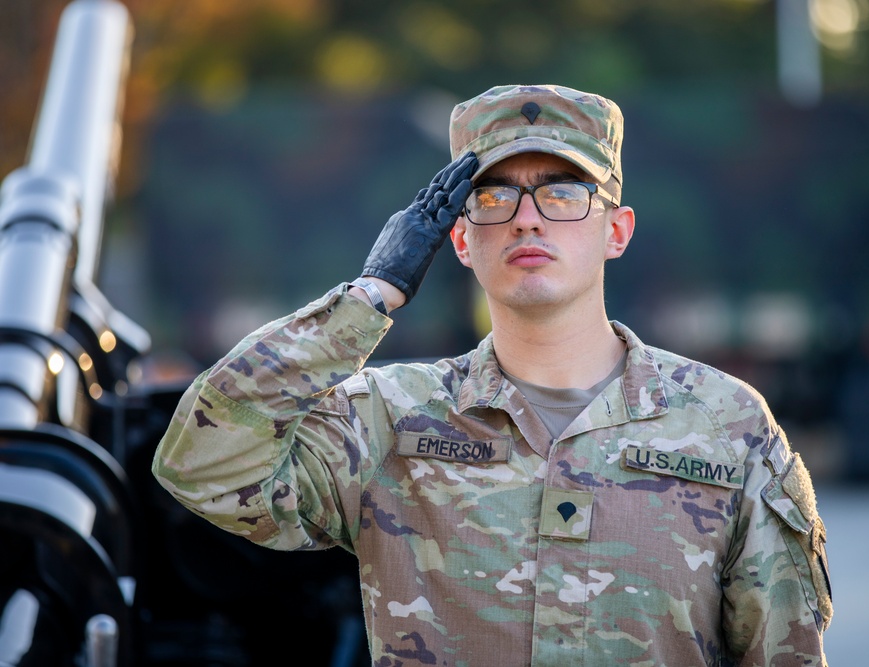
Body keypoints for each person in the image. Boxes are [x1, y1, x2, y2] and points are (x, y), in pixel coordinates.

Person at [152, 84, 833, 666]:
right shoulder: (391, 417)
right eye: (492, 196)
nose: (527, 217)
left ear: (616, 230)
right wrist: (369, 296)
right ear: (458, 237)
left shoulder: (727, 426)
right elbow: (202, 463)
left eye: (563, 192)